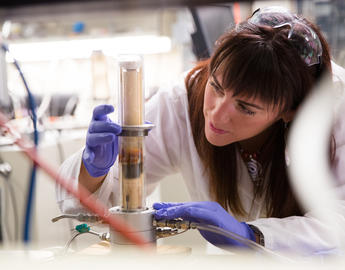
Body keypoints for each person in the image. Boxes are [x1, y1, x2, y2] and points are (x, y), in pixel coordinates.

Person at [57, 6, 345, 254]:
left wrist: (251, 235)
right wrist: (94, 171)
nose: (216, 114)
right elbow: (102, 205)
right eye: (216, 87)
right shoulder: (182, 100)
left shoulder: (335, 111)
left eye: (245, 108)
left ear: (291, 110)